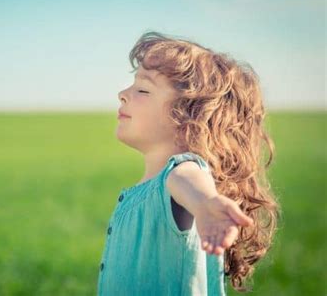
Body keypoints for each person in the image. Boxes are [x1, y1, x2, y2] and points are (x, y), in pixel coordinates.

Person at [97, 31, 281, 295]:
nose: (122, 94)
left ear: (189, 118)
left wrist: (206, 203)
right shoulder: (150, 190)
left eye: (143, 89)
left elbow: (189, 178)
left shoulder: (180, 174)